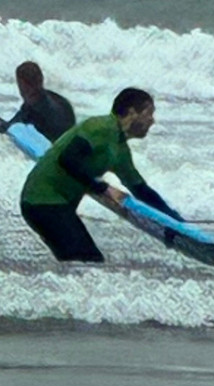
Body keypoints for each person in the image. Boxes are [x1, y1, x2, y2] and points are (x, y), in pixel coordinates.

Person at [19, 87, 184, 263]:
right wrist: (103, 188)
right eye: (148, 113)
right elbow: (67, 160)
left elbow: (141, 190)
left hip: (57, 205)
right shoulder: (98, 127)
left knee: (81, 263)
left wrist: (174, 220)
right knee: (88, 262)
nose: (152, 121)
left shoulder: (119, 148)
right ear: (131, 112)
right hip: (41, 202)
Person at [0, 61, 76, 143]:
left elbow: (11, 128)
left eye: (27, 87)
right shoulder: (49, 100)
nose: (26, 92)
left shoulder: (40, 108)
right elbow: (12, 126)